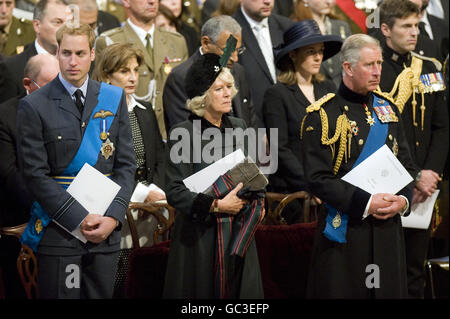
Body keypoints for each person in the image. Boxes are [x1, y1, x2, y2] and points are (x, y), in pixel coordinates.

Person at [16, 23, 136, 299]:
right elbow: (34, 174)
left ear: (92, 54)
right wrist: (79, 218)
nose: (73, 61)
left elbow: (126, 166)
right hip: (61, 233)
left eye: (80, 53)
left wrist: (113, 217)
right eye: (66, 53)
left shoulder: (113, 97)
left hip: (105, 233)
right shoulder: (35, 105)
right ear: (57, 53)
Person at [301, 34, 417, 298]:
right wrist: (367, 203)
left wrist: (403, 201)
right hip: (346, 231)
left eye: (379, 63)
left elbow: (408, 165)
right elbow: (317, 179)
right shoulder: (323, 115)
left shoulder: (387, 108)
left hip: (388, 228)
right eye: (369, 65)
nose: (377, 71)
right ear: (348, 68)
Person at [163, 52, 264, 299]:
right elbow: (175, 191)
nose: (228, 93)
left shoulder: (240, 126)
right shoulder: (182, 133)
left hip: (239, 233)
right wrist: (217, 204)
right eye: (219, 88)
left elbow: (252, 174)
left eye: (229, 86)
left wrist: (257, 200)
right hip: (200, 238)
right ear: (202, 97)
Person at [378, 0, 449, 299]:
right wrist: (413, 176)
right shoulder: (376, 70)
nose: (414, 33)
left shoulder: (429, 67)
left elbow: (441, 127)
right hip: (388, 184)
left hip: (425, 188)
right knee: (383, 268)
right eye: (406, 26)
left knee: (415, 269)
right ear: (385, 29)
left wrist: (430, 172)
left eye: (416, 26)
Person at [92, 42, 166, 296]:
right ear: (106, 75)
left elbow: (159, 159)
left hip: (150, 213)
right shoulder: (98, 115)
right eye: (124, 71)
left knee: (146, 280)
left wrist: (152, 192)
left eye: (135, 70)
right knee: (118, 282)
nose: (133, 77)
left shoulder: (143, 111)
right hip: (115, 210)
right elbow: (102, 167)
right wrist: (140, 195)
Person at [262, 19, 341, 223]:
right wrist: (312, 184)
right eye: (310, 51)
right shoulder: (277, 94)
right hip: (293, 193)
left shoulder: (328, 87)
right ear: (293, 54)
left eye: (321, 51)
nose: (318, 57)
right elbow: (280, 149)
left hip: (329, 188)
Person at [0, 54, 59, 299]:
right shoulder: (5, 116)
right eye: (50, 85)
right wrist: (52, 205)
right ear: (28, 84)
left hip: (64, 215)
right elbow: (9, 174)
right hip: (21, 217)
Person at [95, 0, 188, 141]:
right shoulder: (109, 41)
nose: (152, 2)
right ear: (126, 2)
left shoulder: (177, 41)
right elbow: (101, 93)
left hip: (174, 135)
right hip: (131, 137)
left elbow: (184, 92)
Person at [163, 15, 257, 134]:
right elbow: (183, 133)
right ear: (206, 43)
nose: (235, 58)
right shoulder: (180, 77)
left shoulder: (238, 71)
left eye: (238, 50)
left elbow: (251, 121)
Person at [232, 0, 293, 128]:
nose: (267, 1)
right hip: (251, 126)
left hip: (289, 123)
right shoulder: (229, 31)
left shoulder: (287, 27)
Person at [2, 0, 70, 102]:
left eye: (69, 23)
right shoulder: (12, 68)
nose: (65, 29)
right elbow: (6, 114)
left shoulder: (80, 63)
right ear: (37, 26)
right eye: (57, 22)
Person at [291, 0, 351, 87]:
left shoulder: (342, 26)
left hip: (341, 90)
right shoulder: (296, 29)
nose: (329, 2)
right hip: (311, 88)